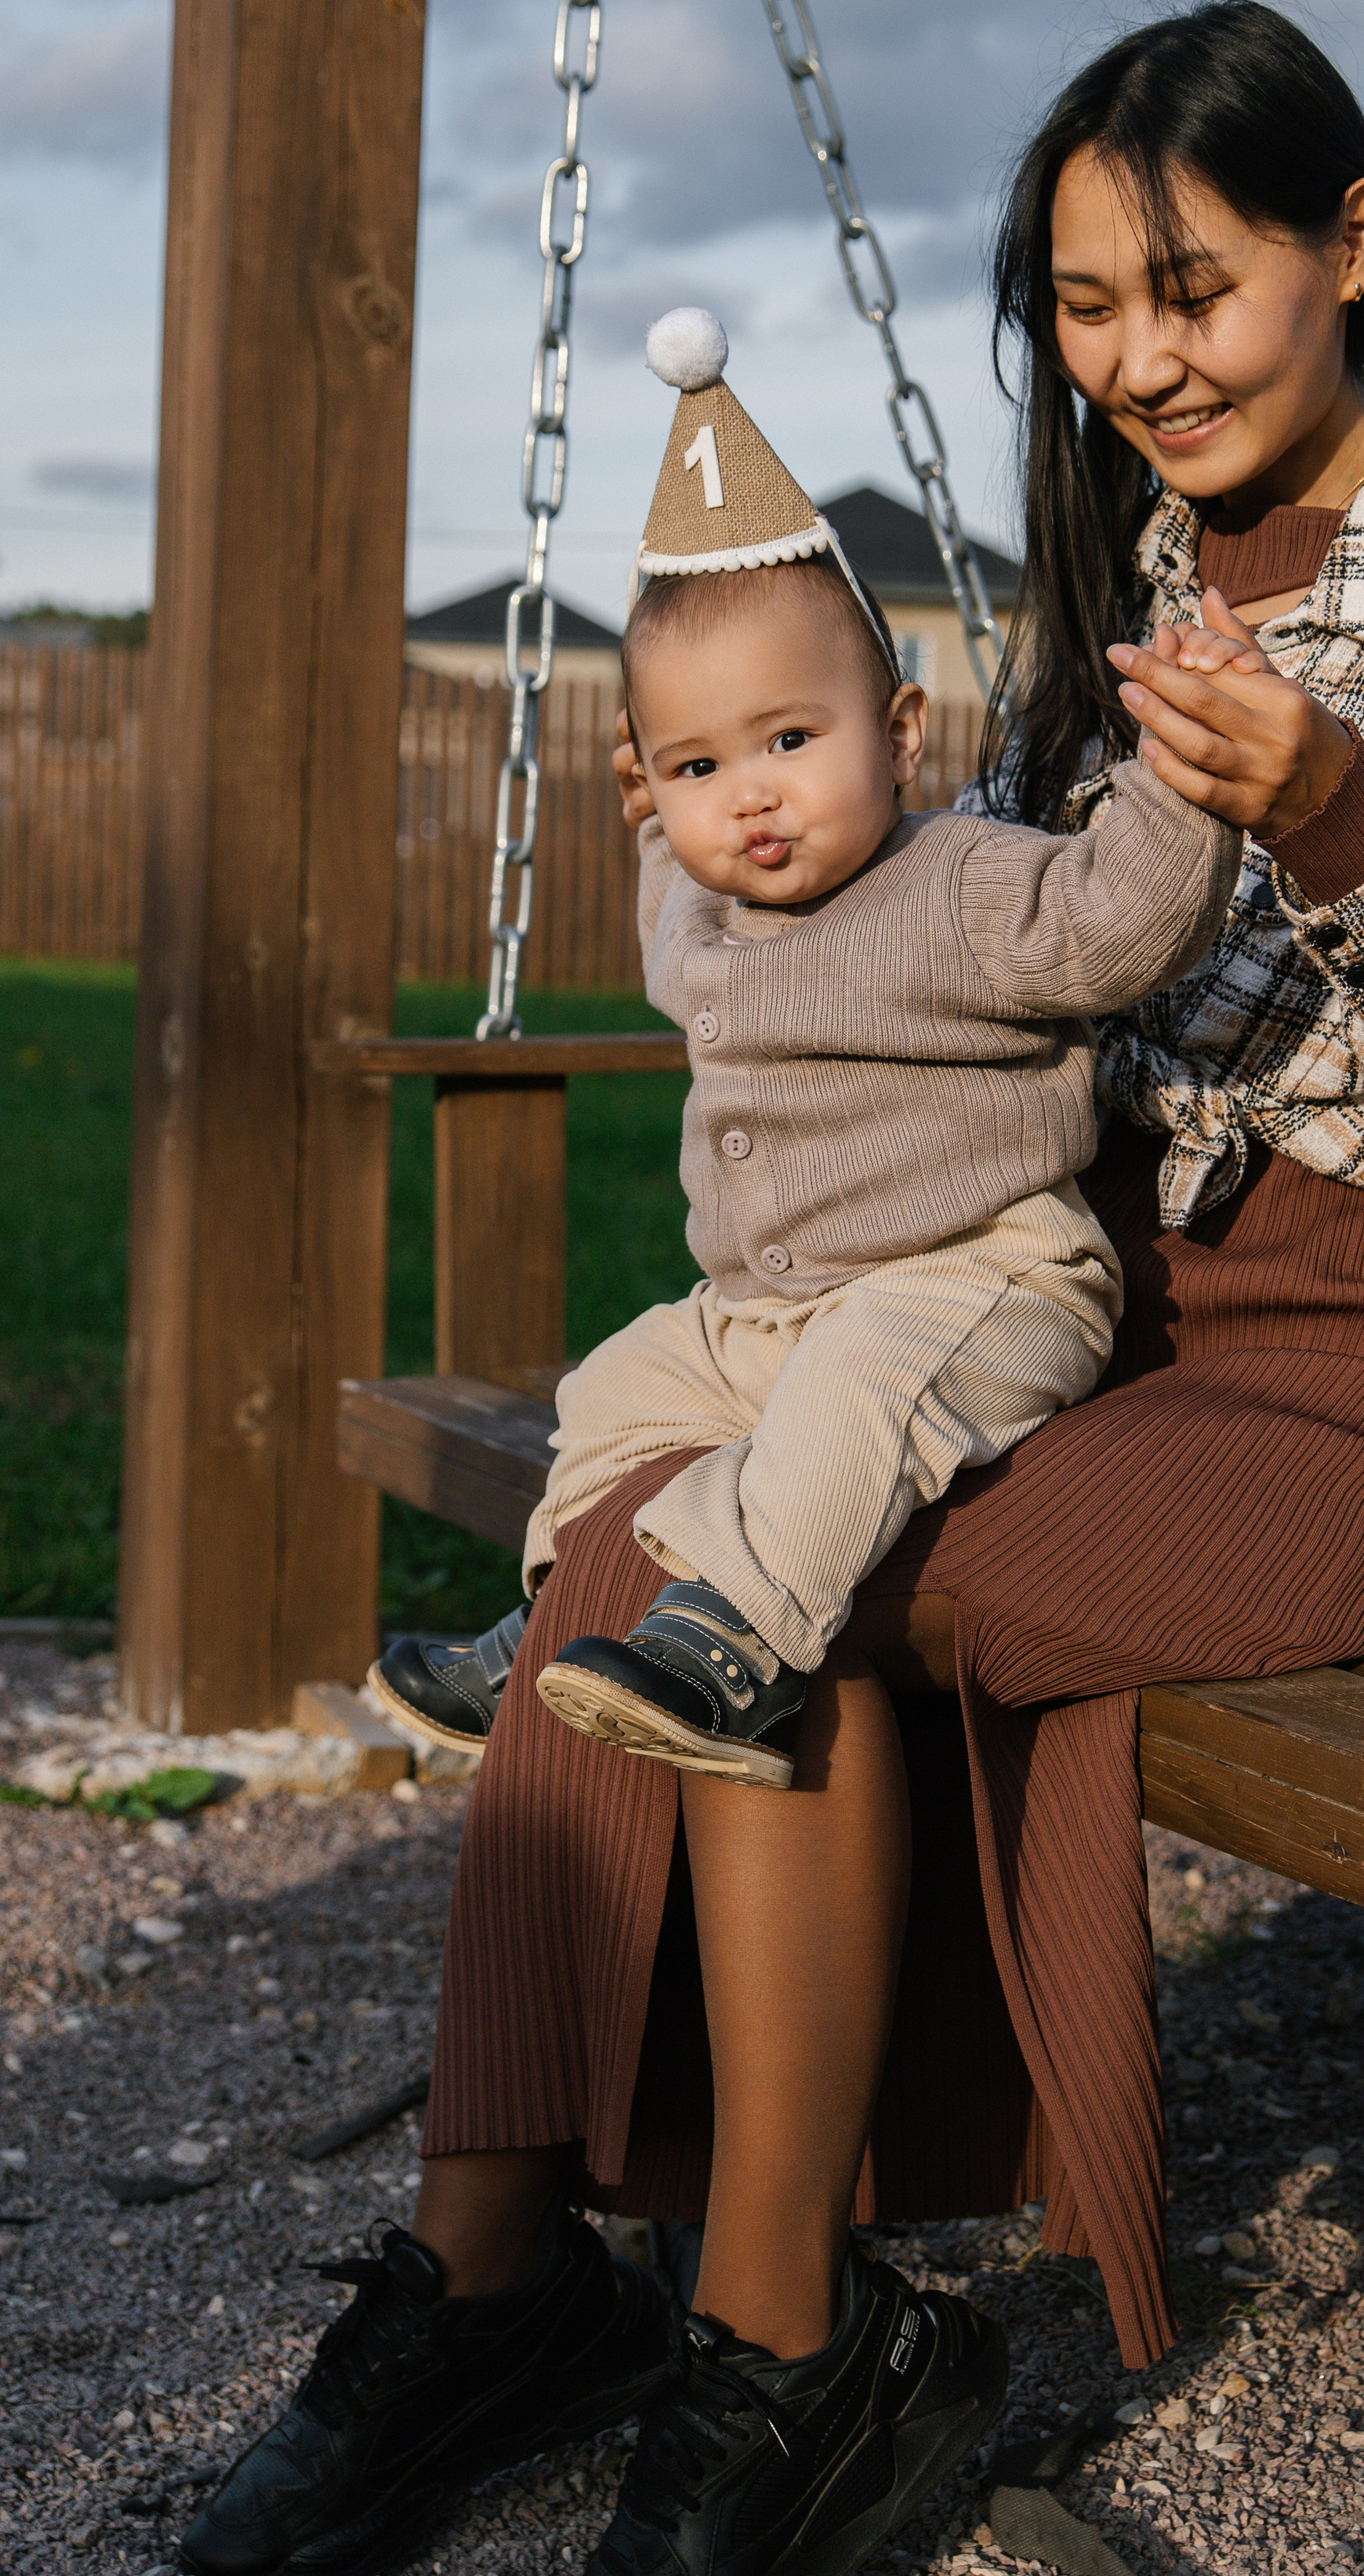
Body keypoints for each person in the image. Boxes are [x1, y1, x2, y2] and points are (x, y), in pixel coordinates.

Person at [180, 0, 1364, 2576]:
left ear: (1356, 245)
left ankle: (785, 2341)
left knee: (782, 1560)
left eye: (1188, 290)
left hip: (1354, 1381)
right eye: (1086, 308)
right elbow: (990, 960)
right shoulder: (1143, 573)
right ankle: (490, 2266)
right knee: (665, 1509)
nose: (1138, 362)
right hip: (1087, 1323)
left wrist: (1334, 817)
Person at [372, 320, 1237, 1787]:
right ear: (653, 786)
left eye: (789, 740)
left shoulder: (960, 883)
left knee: (858, 1405)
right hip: (763, 1314)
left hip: (978, 1278)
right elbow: (672, 914)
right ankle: (565, 1611)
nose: (751, 799)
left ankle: (742, 1648)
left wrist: (1187, 788)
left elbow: (1116, 929)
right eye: (701, 768)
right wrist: (665, 829)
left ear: (899, 733)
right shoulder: (705, 899)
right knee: (617, 1390)